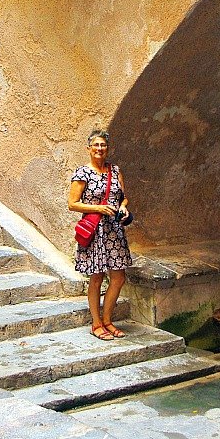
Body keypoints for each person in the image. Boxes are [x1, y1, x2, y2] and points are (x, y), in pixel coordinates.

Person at [68, 129, 132, 340]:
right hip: (95, 231)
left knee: (118, 277)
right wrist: (99, 209)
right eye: (95, 145)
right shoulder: (82, 174)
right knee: (96, 277)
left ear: (107, 148)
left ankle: (108, 320)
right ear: (89, 149)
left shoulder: (115, 170)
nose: (99, 149)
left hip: (114, 230)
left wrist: (123, 208)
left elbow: (123, 197)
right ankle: (96, 323)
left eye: (103, 145)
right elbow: (72, 204)